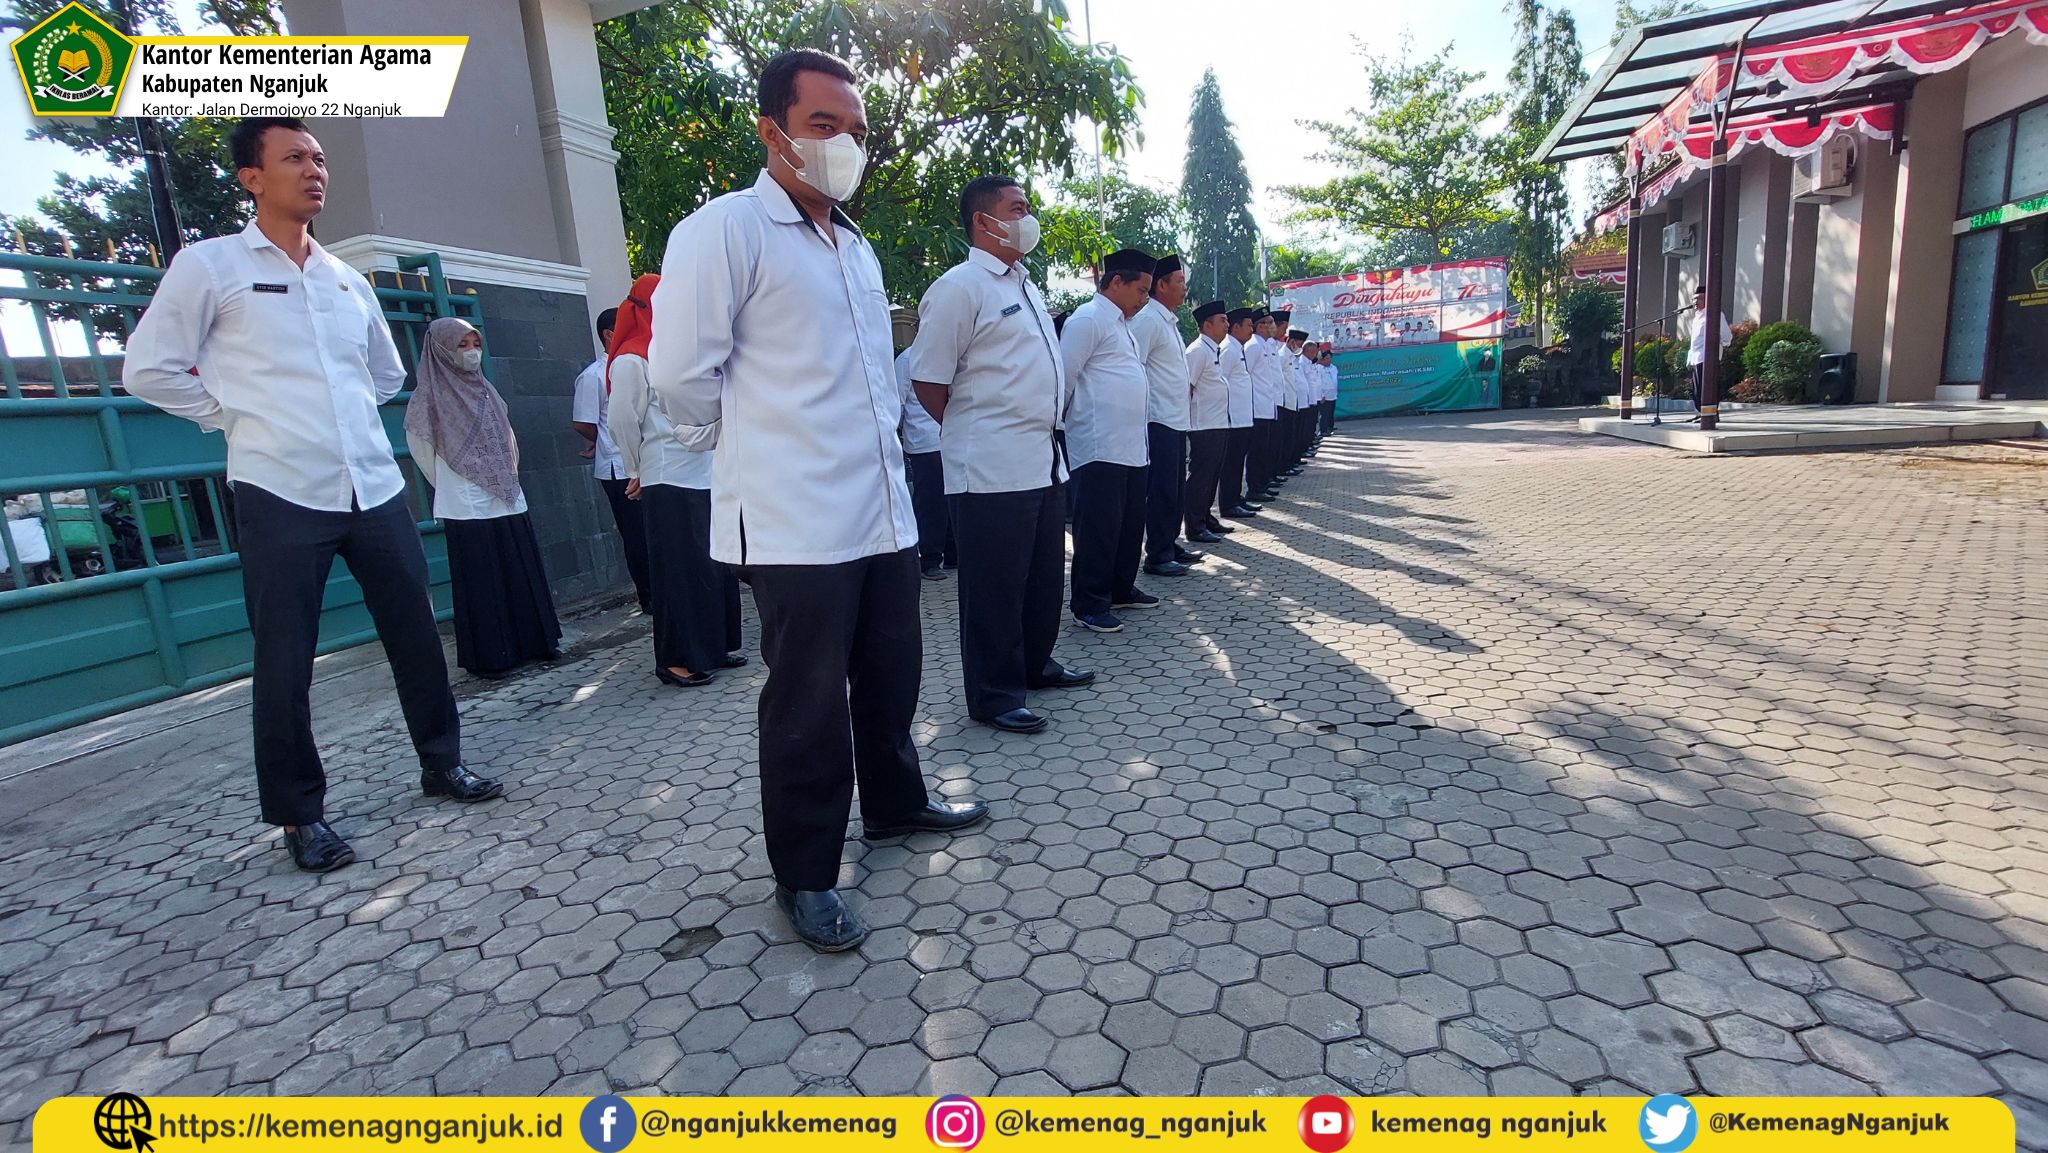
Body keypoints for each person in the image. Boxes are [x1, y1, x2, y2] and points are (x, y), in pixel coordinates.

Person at [646, 49, 987, 952]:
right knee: (804, 700)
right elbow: (680, 374)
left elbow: (878, 377)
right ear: (773, 131)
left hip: (878, 507)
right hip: (793, 515)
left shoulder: (858, 247)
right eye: (824, 126)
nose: (845, 146)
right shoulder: (725, 231)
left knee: (891, 668)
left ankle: (896, 802)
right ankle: (804, 871)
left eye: (857, 132)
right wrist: (757, 443)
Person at [123, 116, 501, 874]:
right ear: (252, 178)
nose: (314, 169)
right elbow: (148, 369)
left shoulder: (344, 280)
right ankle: (301, 815)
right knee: (286, 658)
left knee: (418, 636)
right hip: (279, 488)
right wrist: (230, 413)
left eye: (320, 157)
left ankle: (442, 763)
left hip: (372, 485)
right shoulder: (211, 267)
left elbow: (387, 375)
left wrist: (346, 415)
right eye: (293, 157)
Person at [907, 174, 1093, 736]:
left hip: (1042, 458)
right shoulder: (960, 287)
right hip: (988, 467)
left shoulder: (1024, 285)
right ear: (984, 221)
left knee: (1040, 576)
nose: (1027, 216)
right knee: (994, 587)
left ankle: (1035, 663)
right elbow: (928, 381)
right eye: (1018, 208)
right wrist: (976, 429)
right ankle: (993, 693)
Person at [403, 317, 562, 680]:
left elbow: (507, 436)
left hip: (506, 493)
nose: (471, 353)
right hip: (466, 499)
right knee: (482, 576)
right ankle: (494, 656)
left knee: (518, 566)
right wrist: (456, 479)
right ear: (442, 349)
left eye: (475, 344)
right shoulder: (427, 397)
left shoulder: (485, 387)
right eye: (462, 345)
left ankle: (537, 642)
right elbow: (421, 448)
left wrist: (506, 473)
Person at [608, 274, 743, 689]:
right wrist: (636, 468)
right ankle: (678, 659)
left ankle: (715, 646)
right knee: (679, 571)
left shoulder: (681, 355)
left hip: (705, 473)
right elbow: (622, 421)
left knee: (712, 565)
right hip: (666, 475)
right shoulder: (632, 360)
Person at [1060, 248, 1155, 635]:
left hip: (1131, 447)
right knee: (1098, 527)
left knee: (1129, 525)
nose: (1144, 298)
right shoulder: (1088, 319)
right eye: (1141, 289)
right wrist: (1056, 430)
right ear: (1116, 282)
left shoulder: (1123, 325)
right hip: (1099, 446)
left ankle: (1119, 588)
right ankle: (1089, 602)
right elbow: (1063, 379)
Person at [570, 308, 651, 614]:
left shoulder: (637, 363)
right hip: (618, 468)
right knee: (636, 536)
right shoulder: (593, 377)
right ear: (609, 334)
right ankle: (649, 596)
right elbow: (584, 422)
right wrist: (603, 441)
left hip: (648, 463)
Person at [1132, 254, 1202, 578]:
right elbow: (1134, 365)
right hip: (1157, 418)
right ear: (1161, 285)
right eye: (1180, 281)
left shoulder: (1169, 322)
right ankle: (1157, 555)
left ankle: (1170, 544)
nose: (1184, 288)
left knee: (1176, 488)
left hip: (1176, 418)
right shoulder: (1147, 320)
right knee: (1161, 490)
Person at [894, 346, 953, 581]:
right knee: (931, 502)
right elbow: (897, 401)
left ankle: (952, 553)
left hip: (951, 437)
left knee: (952, 497)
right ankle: (929, 558)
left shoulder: (948, 353)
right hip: (924, 441)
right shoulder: (907, 359)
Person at [1182, 301, 1233, 546]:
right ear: (1207, 324)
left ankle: (1205, 516)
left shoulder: (1213, 350)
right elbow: (1187, 388)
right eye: (1222, 320)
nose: (1227, 324)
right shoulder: (1197, 351)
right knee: (1201, 476)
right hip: (1203, 426)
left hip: (1218, 423)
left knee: (1213, 474)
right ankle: (1195, 525)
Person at [1220, 307, 1261, 521]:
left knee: (1237, 463)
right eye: (1248, 325)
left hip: (1242, 418)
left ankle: (1236, 498)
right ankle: (1228, 503)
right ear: (1235, 328)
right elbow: (1221, 381)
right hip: (1233, 418)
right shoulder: (1228, 349)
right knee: (1232, 464)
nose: (1251, 329)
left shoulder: (1238, 348)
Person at [1245, 310, 1284, 503]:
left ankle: (1262, 484)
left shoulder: (1267, 345)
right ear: (1260, 325)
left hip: (1268, 405)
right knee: (1257, 451)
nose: (1273, 325)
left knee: (1265, 449)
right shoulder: (1253, 346)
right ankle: (1255, 488)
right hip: (1257, 407)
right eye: (1269, 322)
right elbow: (1247, 375)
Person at [1686, 284, 1733, 422]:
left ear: (1708, 299)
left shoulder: (1715, 313)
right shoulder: (1697, 317)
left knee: (1708, 388)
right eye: (1694, 299)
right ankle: (1701, 413)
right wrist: (1689, 358)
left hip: (1708, 357)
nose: (1696, 302)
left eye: (1700, 298)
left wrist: (1721, 345)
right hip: (1696, 358)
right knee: (1697, 389)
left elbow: (1726, 335)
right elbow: (1694, 341)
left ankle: (1711, 414)